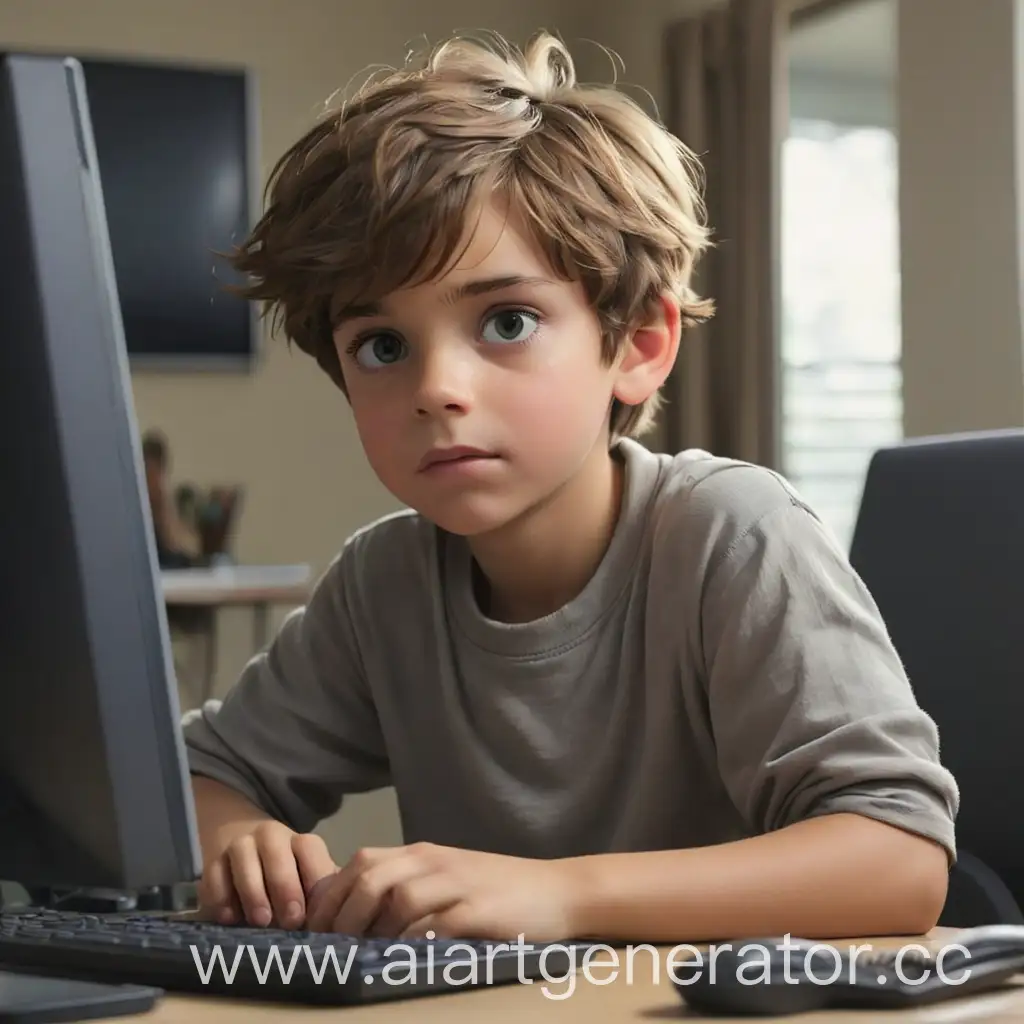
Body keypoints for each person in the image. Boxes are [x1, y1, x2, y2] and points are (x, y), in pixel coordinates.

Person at [180, 30, 958, 944]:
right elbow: (198, 776)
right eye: (381, 346)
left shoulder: (729, 536)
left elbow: (899, 859)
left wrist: (564, 896)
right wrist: (243, 840)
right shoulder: (384, 584)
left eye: (506, 320)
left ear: (638, 345)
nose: (437, 388)